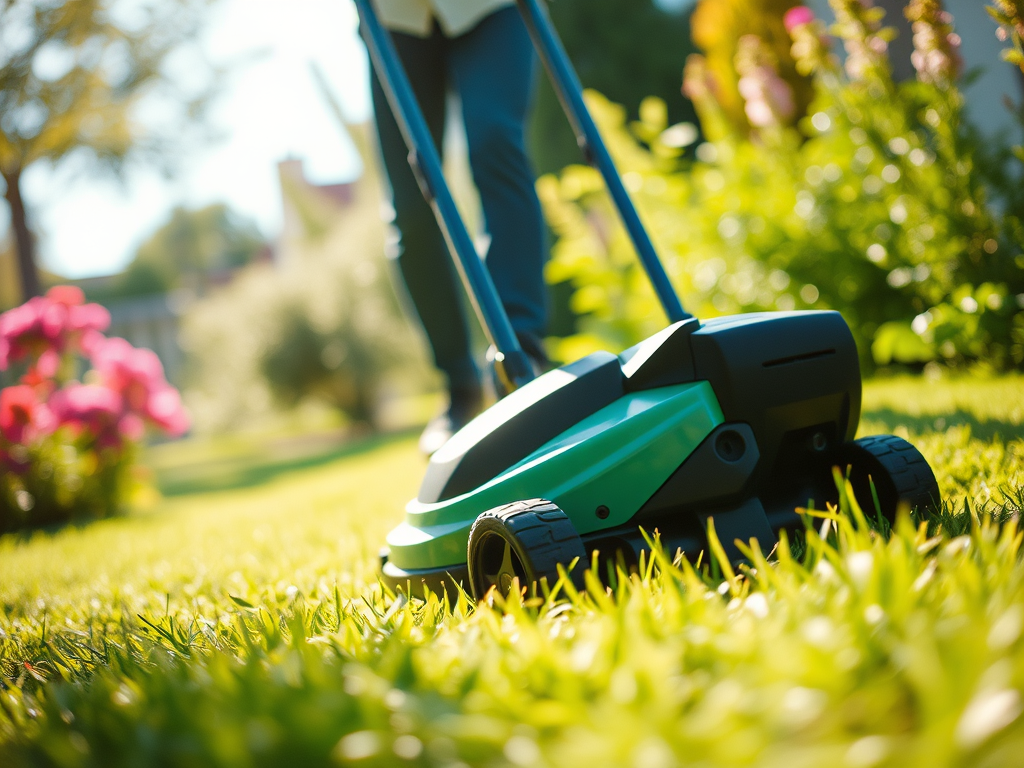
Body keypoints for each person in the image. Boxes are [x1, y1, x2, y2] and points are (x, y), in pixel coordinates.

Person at [367, 0, 548, 454]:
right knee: (410, 206)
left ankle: (521, 351)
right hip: (395, 20)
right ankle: (458, 384)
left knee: (495, 142)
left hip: (490, 9)